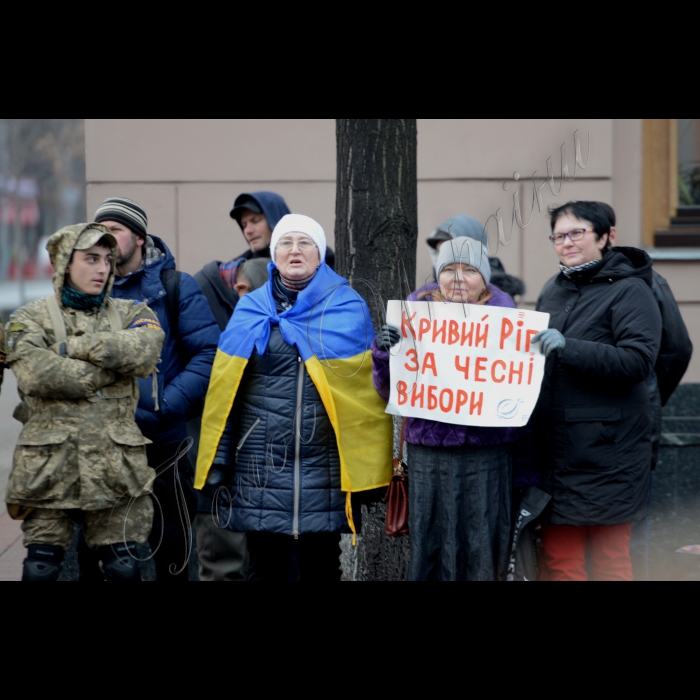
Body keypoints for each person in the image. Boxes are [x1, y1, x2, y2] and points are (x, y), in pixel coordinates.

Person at [196, 214, 392, 582]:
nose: (295, 250)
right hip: (261, 465)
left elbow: (365, 396)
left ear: (319, 256)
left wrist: (367, 471)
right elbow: (226, 393)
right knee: (264, 568)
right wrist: (219, 462)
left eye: (306, 243)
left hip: (326, 468)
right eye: (286, 243)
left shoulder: (347, 306)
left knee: (321, 568)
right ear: (274, 255)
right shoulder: (250, 308)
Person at [4, 224, 164, 581]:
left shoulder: (132, 310)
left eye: (107, 259)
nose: (103, 268)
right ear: (64, 263)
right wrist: (107, 370)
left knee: (124, 567)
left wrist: (71, 349)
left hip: (114, 466)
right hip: (48, 466)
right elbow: (37, 374)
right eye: (91, 259)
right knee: (41, 567)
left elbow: (146, 351)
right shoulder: (29, 318)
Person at [372, 237, 519, 581]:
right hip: (430, 455)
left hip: (486, 455)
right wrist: (383, 353)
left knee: (481, 543)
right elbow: (387, 389)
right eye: (449, 269)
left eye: (469, 270)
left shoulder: (508, 323)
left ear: (484, 278)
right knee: (431, 544)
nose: (458, 278)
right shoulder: (413, 317)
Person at [530, 201, 662, 582]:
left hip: (609, 455)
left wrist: (568, 347)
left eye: (577, 233)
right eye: (559, 235)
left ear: (607, 237)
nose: (566, 243)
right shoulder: (553, 289)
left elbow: (638, 361)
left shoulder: (631, 290)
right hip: (556, 454)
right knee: (559, 564)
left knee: (610, 564)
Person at [93, 197, 220, 582]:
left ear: (138, 236)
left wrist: (167, 403)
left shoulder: (175, 286)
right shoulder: (90, 291)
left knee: (173, 553)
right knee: (110, 556)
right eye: (101, 233)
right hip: (104, 444)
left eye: (114, 230)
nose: (107, 240)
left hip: (164, 444)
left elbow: (208, 353)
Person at [191, 257, 269, 582]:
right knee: (223, 561)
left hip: (260, 468)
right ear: (240, 290)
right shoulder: (199, 298)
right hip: (215, 462)